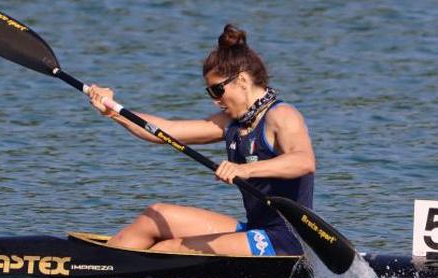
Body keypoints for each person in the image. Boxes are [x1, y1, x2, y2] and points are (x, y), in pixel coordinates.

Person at [85, 23, 315, 256]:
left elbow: (303, 161)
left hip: (286, 239)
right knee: (154, 216)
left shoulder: (282, 116)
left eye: (217, 90)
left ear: (242, 81)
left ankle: (109, 272)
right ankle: (96, 263)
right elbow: (166, 131)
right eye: (210, 93)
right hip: (256, 230)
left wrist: (245, 170)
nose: (215, 100)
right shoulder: (231, 123)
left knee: (168, 250)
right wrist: (113, 111)